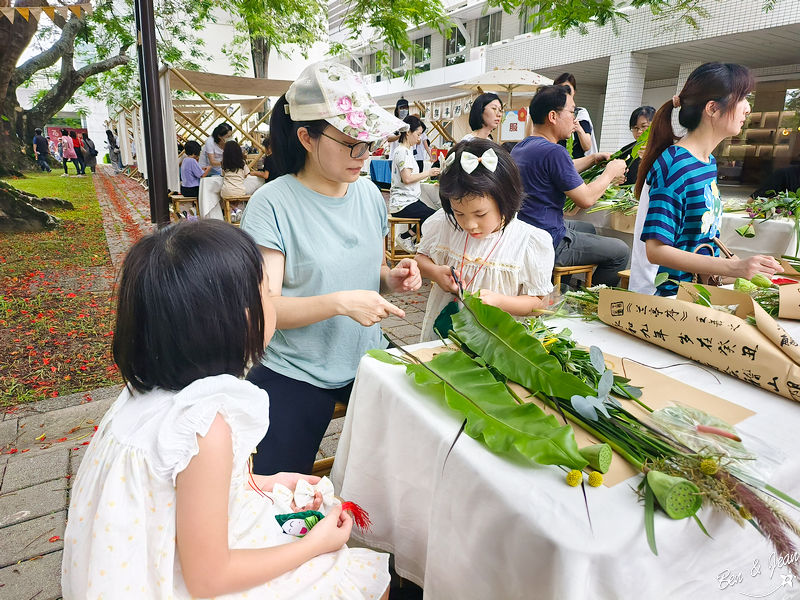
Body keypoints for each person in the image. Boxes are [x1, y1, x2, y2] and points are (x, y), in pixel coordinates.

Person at [61, 220, 391, 600]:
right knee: (358, 579)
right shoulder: (204, 426)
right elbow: (209, 580)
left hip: (147, 558)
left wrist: (267, 481)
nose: (274, 302)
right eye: (267, 294)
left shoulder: (145, 394)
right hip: (177, 581)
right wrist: (315, 545)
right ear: (231, 321)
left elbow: (180, 491)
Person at [240, 61, 421, 476]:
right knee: (275, 489)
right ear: (306, 136)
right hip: (297, 367)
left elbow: (371, 274)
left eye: (369, 143)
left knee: (414, 458)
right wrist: (339, 303)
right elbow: (264, 308)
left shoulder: (370, 195)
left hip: (367, 357)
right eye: (351, 143)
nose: (364, 156)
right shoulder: (272, 204)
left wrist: (390, 279)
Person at [631, 62, 781, 296]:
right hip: (664, 300)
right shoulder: (675, 166)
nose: (748, 108)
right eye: (742, 98)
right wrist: (734, 266)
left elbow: (697, 239)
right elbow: (656, 251)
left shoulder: (706, 162)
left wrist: (735, 269)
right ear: (712, 108)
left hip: (693, 294)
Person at [416, 139, 554, 341]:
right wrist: (436, 272)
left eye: (480, 214)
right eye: (459, 213)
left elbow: (539, 304)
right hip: (445, 335)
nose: (469, 224)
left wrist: (499, 301)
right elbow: (420, 258)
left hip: (497, 341)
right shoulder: (445, 224)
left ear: (506, 198)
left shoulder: (528, 242)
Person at [511, 85, 629, 286]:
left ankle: (561, 287)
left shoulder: (523, 146)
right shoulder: (554, 152)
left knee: (589, 228)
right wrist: (610, 173)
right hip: (548, 240)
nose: (574, 119)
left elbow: (558, 169)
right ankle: (588, 300)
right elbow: (586, 199)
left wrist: (592, 159)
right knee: (621, 251)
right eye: (571, 111)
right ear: (552, 116)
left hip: (526, 234)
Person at [389, 114, 441, 253]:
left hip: (405, 201)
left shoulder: (404, 151)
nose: (419, 139)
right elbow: (407, 178)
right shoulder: (403, 152)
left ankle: (410, 238)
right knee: (435, 216)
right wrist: (428, 173)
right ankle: (407, 237)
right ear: (408, 132)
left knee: (434, 215)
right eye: (418, 134)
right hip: (403, 203)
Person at [553, 73, 598, 159]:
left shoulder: (581, 114)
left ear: (574, 92)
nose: (564, 93)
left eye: (567, 89)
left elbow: (587, 146)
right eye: (559, 89)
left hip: (577, 165)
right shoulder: (551, 114)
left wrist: (578, 128)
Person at [618, 106, 655, 186]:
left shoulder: (662, 150)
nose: (639, 131)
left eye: (644, 127)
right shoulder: (626, 151)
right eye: (635, 128)